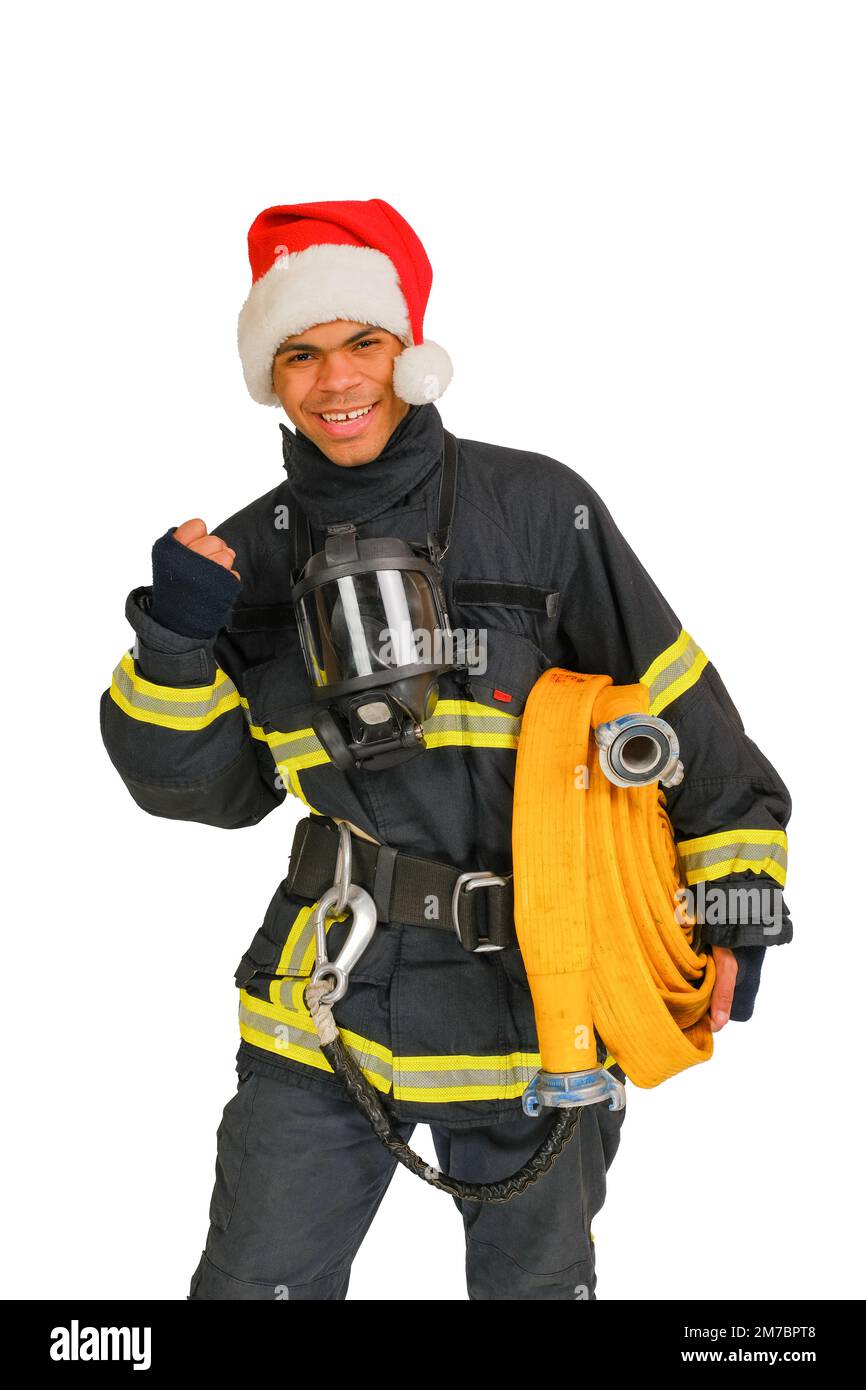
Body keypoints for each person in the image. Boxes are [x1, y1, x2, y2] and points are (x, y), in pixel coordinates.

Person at [100, 198, 792, 1301]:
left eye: (361, 342)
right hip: (327, 1000)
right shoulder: (244, 558)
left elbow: (688, 722)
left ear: (410, 352)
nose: (336, 381)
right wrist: (174, 643)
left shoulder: (539, 510)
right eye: (300, 353)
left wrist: (736, 911)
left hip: (543, 996)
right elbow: (210, 791)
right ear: (268, 378)